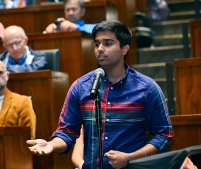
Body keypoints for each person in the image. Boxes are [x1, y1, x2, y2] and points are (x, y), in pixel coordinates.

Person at [27, 20, 174, 169]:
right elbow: (67, 132)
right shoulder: (81, 87)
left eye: (107, 43)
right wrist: (51, 145)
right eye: (97, 44)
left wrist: (129, 158)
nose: (100, 49)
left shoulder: (147, 88)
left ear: (124, 49)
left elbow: (164, 135)